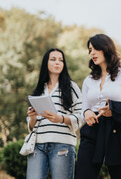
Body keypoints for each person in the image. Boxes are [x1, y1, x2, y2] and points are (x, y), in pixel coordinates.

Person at [76, 34, 121, 179]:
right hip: (93, 130)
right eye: (90, 50)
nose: (92, 53)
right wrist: (87, 113)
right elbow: (84, 108)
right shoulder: (88, 80)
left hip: (117, 131)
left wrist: (115, 111)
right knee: (83, 174)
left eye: (95, 49)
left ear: (106, 48)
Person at [26, 48, 82, 179]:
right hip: (37, 146)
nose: (58, 62)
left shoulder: (71, 87)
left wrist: (61, 118)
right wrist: (32, 118)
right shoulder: (39, 89)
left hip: (62, 145)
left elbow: (81, 115)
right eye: (53, 59)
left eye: (61, 60)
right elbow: (30, 126)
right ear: (46, 63)